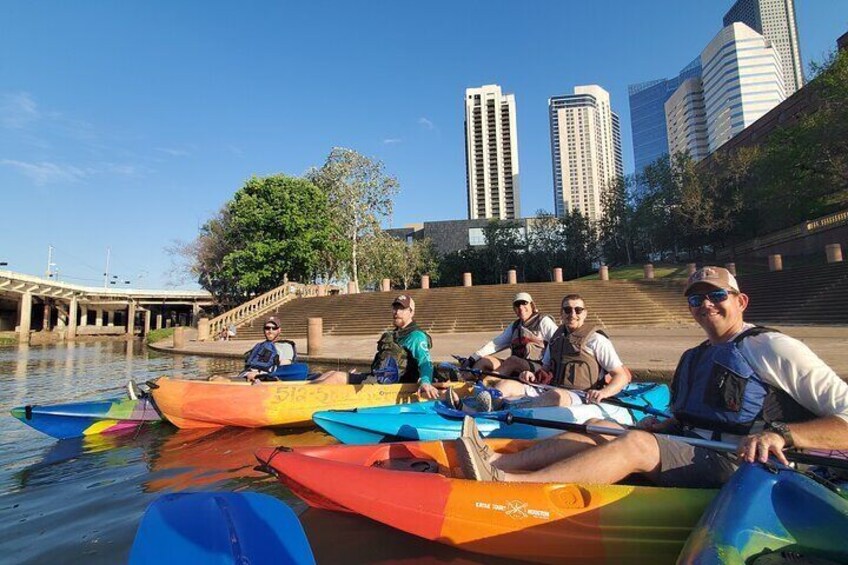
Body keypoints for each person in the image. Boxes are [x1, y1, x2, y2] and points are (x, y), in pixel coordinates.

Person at [456, 266, 848, 487]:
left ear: (740, 301)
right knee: (599, 426)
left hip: (748, 469)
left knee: (639, 445)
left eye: (716, 295)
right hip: (694, 449)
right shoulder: (695, 355)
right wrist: (667, 422)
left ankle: (514, 487)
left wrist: (783, 434)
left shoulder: (773, 347)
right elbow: (690, 416)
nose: (705, 304)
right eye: (696, 298)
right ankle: (496, 463)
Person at [465, 294, 631, 411]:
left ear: (585, 313)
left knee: (556, 396)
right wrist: (530, 376)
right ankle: (481, 404)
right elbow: (544, 370)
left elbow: (621, 375)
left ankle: (510, 409)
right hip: (549, 388)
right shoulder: (555, 339)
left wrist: (603, 393)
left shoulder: (597, 341)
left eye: (578, 310)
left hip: (580, 395)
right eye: (567, 310)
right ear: (561, 314)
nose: (572, 314)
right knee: (506, 385)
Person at [309, 294, 442, 399]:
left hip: (395, 385)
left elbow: (425, 362)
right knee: (330, 373)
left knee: (336, 378)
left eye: (402, 309)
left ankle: (302, 396)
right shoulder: (395, 334)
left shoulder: (416, 336)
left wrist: (425, 382)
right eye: (395, 308)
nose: (397, 312)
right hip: (380, 379)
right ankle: (298, 389)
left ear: (411, 312)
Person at [461, 291, 558, 389]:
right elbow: (495, 344)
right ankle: (463, 380)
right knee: (485, 360)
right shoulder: (515, 326)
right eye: (517, 304)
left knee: (512, 360)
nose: (521, 307)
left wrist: (546, 367)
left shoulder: (543, 321)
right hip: (516, 365)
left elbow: (557, 340)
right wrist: (472, 358)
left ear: (532, 305)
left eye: (524, 303)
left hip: (538, 367)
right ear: (514, 309)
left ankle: (486, 386)